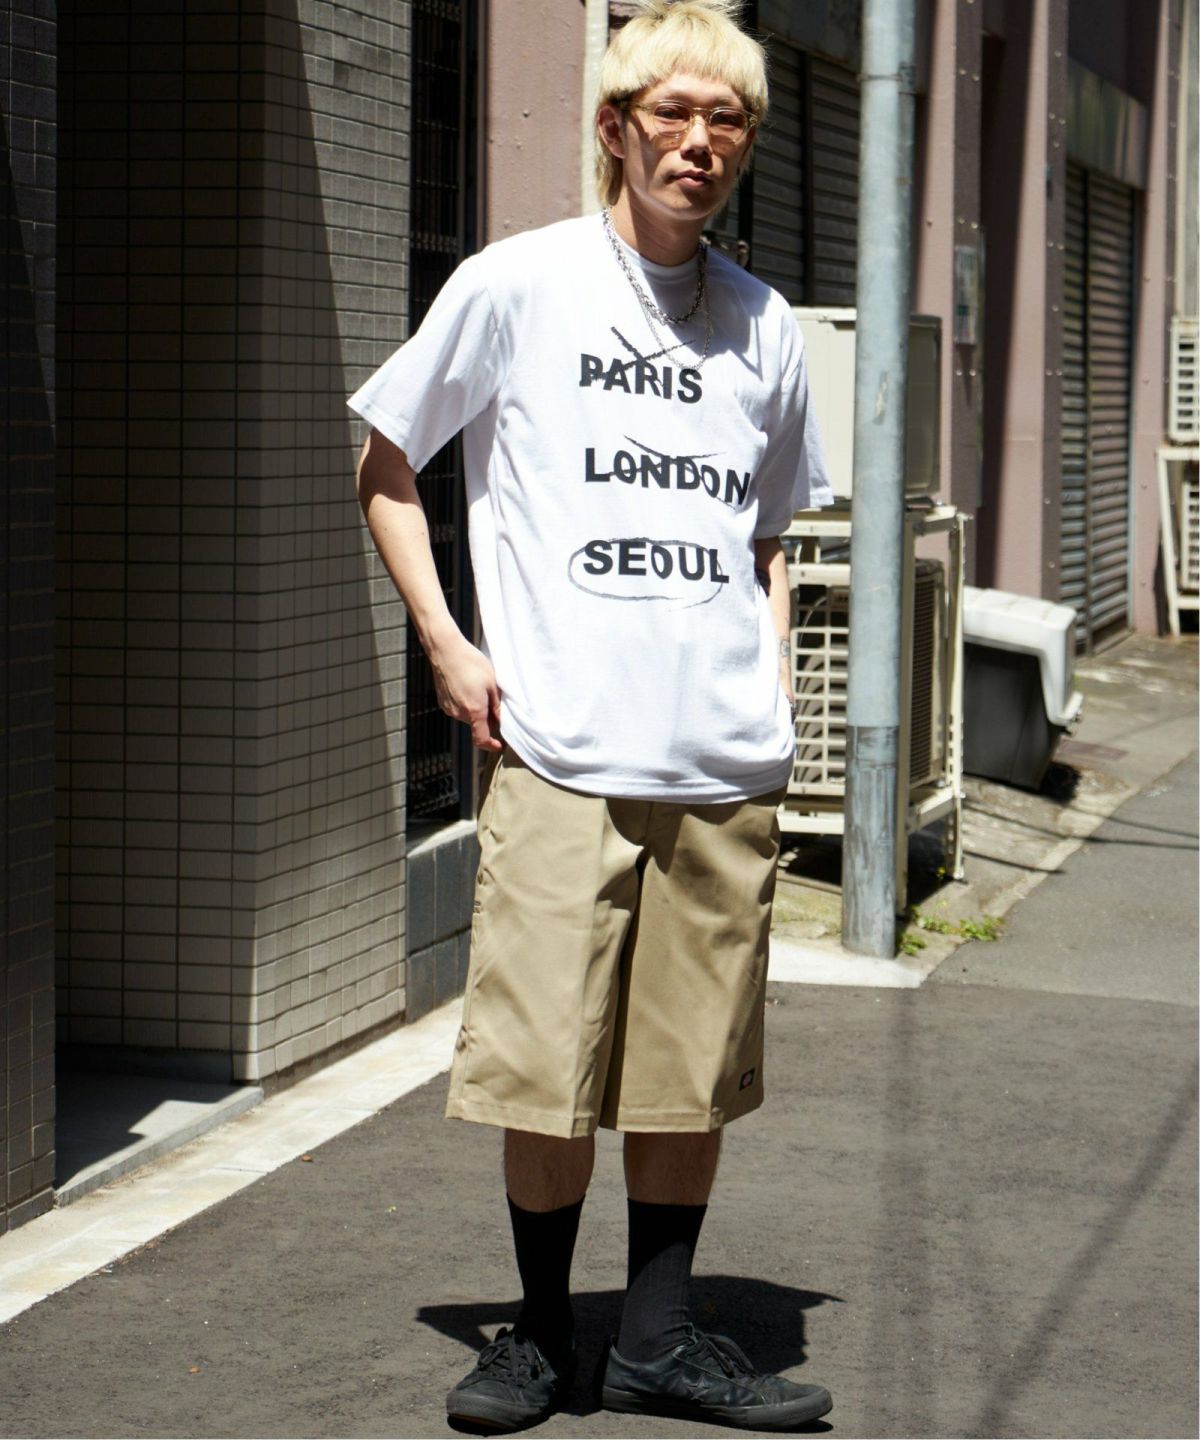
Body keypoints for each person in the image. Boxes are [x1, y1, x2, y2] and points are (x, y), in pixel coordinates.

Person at [350, 1, 833, 1430]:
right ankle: (543, 1337)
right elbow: (386, 459)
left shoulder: (764, 325)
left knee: (690, 1073)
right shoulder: (520, 285)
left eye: (727, 120)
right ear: (615, 127)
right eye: (671, 113)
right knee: (543, 1064)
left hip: (718, 761)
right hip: (561, 749)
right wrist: (448, 645)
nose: (700, 142)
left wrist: (770, 671)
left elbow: (768, 532)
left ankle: (661, 1341)